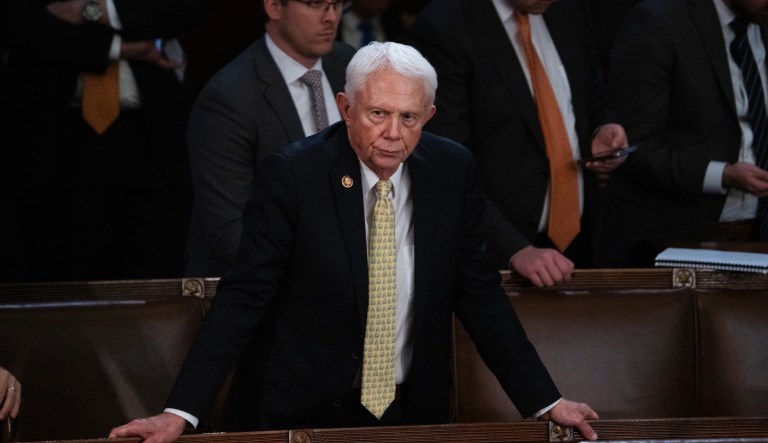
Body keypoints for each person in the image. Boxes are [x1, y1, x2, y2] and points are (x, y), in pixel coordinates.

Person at [109, 42, 599, 441]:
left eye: (409, 118)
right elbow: (244, 296)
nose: (392, 134)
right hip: (298, 417)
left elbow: (479, 294)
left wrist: (546, 401)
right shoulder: (294, 175)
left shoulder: (451, 170)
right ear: (345, 108)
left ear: (429, 115)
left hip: (412, 416)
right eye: (378, 114)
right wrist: (181, 411)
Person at [406, 0, 629, 287]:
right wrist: (512, 249)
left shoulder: (566, 10)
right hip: (499, 260)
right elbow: (444, 165)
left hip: (582, 241)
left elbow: (592, 93)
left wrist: (603, 126)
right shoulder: (445, 26)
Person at [0, 0, 202, 283]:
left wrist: (94, 10)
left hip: (153, 137)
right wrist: (120, 49)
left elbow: (185, 9)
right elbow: (22, 26)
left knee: (155, 280)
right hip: (56, 140)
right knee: (65, 281)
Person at [184, 0, 355, 277]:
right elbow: (230, 234)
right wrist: (330, 267)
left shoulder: (348, 65)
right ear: (274, 7)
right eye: (315, 4)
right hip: (261, 290)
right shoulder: (228, 98)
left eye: (336, 4)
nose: (331, 17)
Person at [595, 0, 768, 267]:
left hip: (757, 241)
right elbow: (633, 147)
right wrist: (721, 175)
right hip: (674, 245)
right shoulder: (659, 21)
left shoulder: (761, 23)